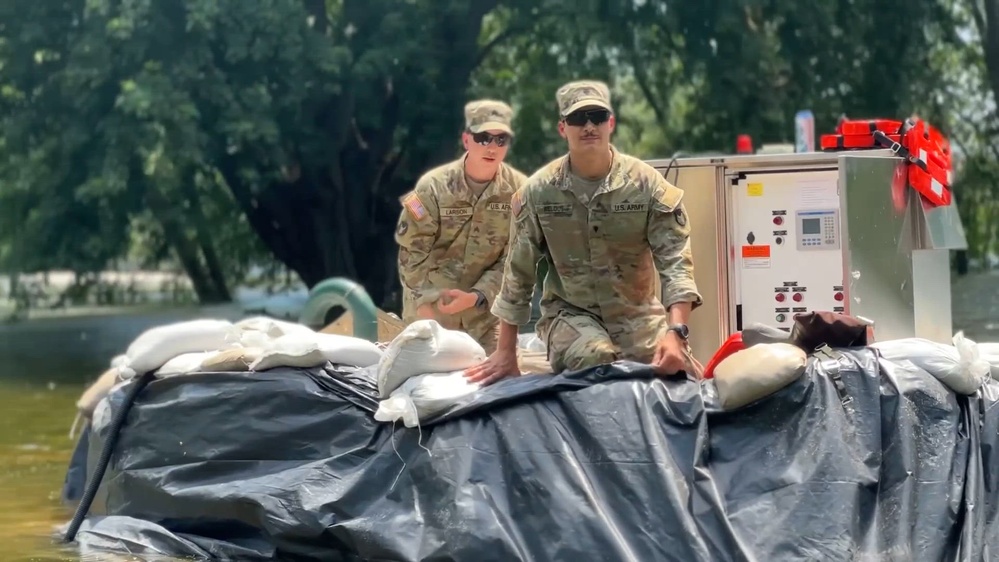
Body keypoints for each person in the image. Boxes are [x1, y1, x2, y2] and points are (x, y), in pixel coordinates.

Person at [465, 80, 702, 384]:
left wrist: (676, 332)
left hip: (638, 319)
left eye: (597, 117)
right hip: (570, 318)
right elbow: (517, 275)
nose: (589, 126)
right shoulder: (539, 192)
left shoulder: (646, 186)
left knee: (684, 378)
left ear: (611, 123)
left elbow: (676, 263)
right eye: (578, 118)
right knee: (597, 360)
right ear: (563, 128)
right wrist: (506, 352)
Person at [395, 99, 528, 353]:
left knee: (507, 382)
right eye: (483, 138)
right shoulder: (433, 187)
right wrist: (425, 303)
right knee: (429, 384)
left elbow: (513, 260)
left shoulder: (519, 192)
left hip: (483, 319)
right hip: (430, 314)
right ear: (467, 140)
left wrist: (477, 295)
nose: (492, 147)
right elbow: (412, 254)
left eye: (501, 140)